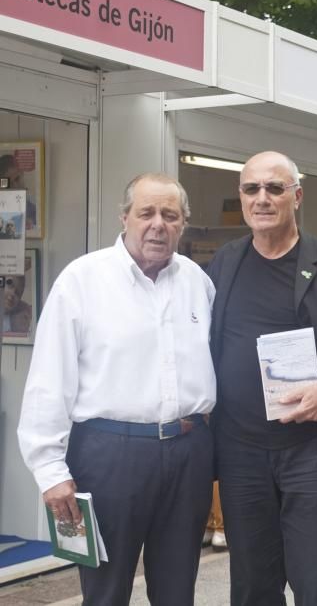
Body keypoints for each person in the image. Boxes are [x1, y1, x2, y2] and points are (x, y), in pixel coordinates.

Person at [18, 173, 215, 604]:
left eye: (170, 215)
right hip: (109, 456)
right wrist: (51, 471)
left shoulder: (198, 283)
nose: (158, 224)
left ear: (183, 224)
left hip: (189, 452)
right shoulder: (82, 280)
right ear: (124, 217)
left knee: (178, 590)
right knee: (106, 592)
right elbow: (49, 380)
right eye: (146, 213)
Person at [208, 151, 317, 605]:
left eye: (274, 188)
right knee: (252, 589)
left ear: (297, 196)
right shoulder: (225, 263)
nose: (262, 198)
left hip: (310, 451)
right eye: (251, 189)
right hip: (242, 456)